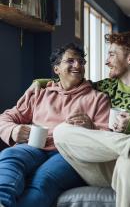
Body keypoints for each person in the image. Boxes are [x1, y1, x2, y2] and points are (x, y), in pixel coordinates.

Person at [30, 32, 130, 207]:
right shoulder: (105, 87)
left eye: (111, 54)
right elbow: (70, 82)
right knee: (62, 131)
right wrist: (40, 82)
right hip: (111, 164)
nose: (106, 61)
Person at [0, 43, 111, 207]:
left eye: (81, 62)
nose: (78, 65)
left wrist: (91, 128)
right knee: (9, 157)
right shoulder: (39, 93)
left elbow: (108, 135)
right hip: (34, 147)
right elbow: (6, 117)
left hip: (69, 154)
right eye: (71, 61)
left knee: (42, 180)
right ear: (56, 69)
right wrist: (13, 130)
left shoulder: (98, 98)